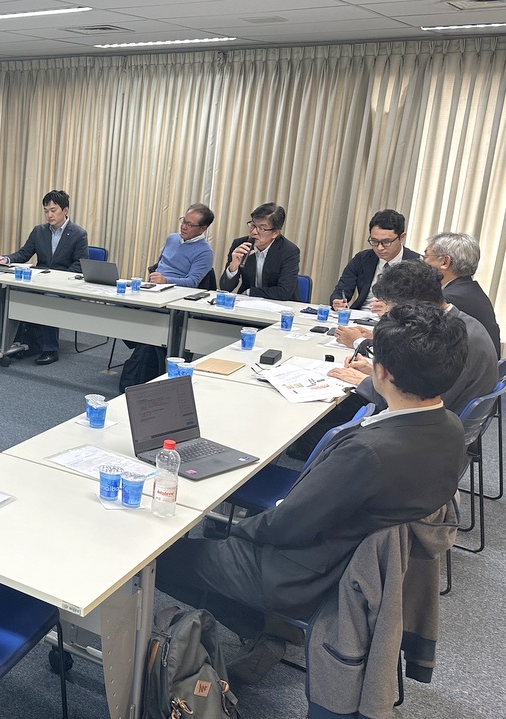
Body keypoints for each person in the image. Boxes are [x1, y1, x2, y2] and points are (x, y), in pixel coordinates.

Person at [156, 302, 466, 685]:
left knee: (162, 560)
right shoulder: (451, 427)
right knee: (222, 537)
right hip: (355, 566)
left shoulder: (368, 453)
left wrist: (234, 529)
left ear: (382, 371)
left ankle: (263, 626)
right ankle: (269, 628)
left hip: (304, 574)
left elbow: (288, 525)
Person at [327, 261, 497, 416]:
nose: (388, 314)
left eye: (390, 307)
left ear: (411, 307)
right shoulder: (461, 323)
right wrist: (375, 373)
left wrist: (364, 381)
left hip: (430, 426)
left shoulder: (448, 339)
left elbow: (416, 404)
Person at [0, 190, 89, 365]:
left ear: (65, 210)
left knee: (49, 298)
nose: (49, 215)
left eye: (53, 210)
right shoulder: (39, 231)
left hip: (63, 285)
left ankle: (50, 349)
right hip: (39, 280)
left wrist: (57, 278)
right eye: (46, 211)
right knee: (13, 292)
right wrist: (7, 259)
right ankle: (18, 342)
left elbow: (80, 265)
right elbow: (24, 253)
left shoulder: (78, 234)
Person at [423, 231, 499, 357]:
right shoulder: (472, 291)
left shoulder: (446, 301)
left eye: (425, 257)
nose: (422, 263)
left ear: (445, 262)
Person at [329, 209, 419, 311]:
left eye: (386, 242)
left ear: (402, 237)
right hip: (361, 314)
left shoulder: (417, 264)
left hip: (396, 318)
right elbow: (342, 289)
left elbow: (420, 306)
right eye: (375, 241)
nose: (380, 248)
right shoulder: (362, 259)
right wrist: (337, 301)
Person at [219, 203, 300, 300]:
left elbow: (284, 292)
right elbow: (225, 288)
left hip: (279, 305)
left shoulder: (289, 251)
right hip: (247, 303)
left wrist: (250, 292)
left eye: (261, 228)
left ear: (275, 233)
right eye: (253, 225)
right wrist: (233, 266)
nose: (254, 232)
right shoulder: (240, 245)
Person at [147, 204, 216, 288]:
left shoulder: (205, 252)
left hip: (177, 290)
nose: (183, 227)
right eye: (184, 221)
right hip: (154, 286)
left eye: (189, 225)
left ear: (203, 229)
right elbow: (159, 265)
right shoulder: (172, 238)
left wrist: (166, 281)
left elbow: (192, 282)